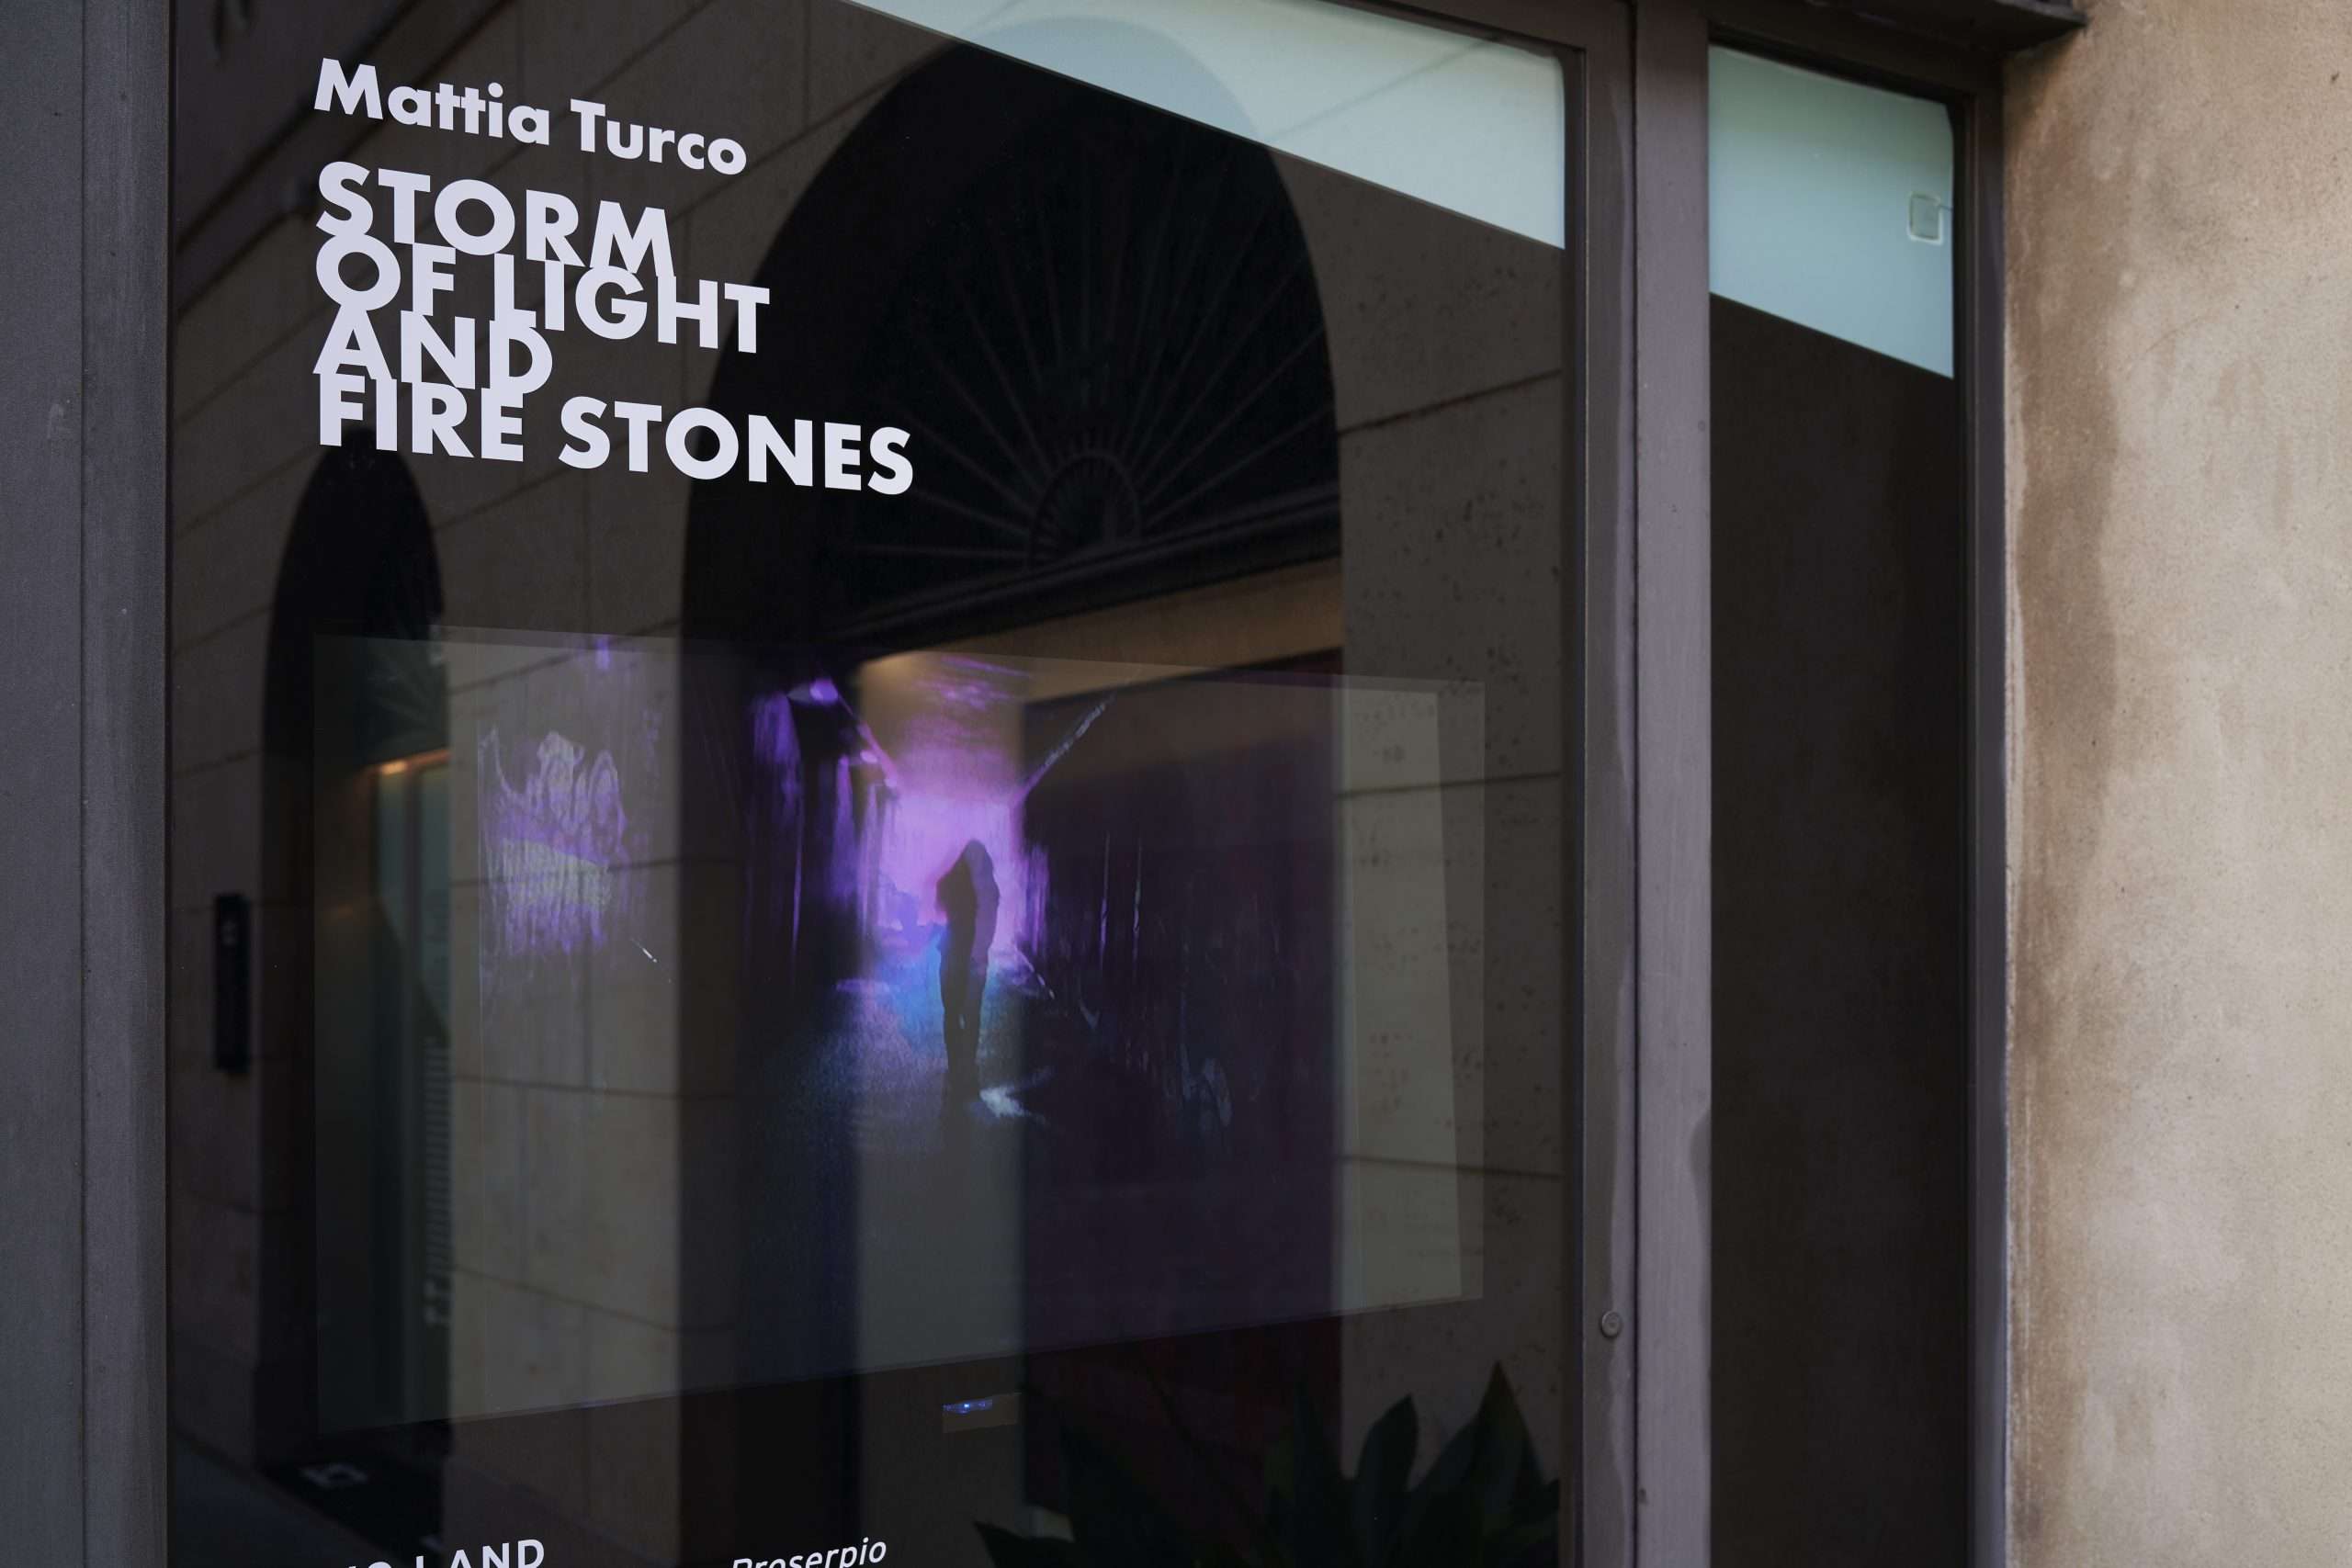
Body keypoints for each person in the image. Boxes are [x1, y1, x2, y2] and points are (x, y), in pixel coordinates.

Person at [935, 840, 999, 1093]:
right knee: (969, 1015)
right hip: (971, 962)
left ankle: (957, 1067)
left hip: (955, 958)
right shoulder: (987, 887)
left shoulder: (957, 882)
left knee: (953, 1013)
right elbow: (987, 928)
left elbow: (940, 904)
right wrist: (978, 955)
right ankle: (965, 1066)